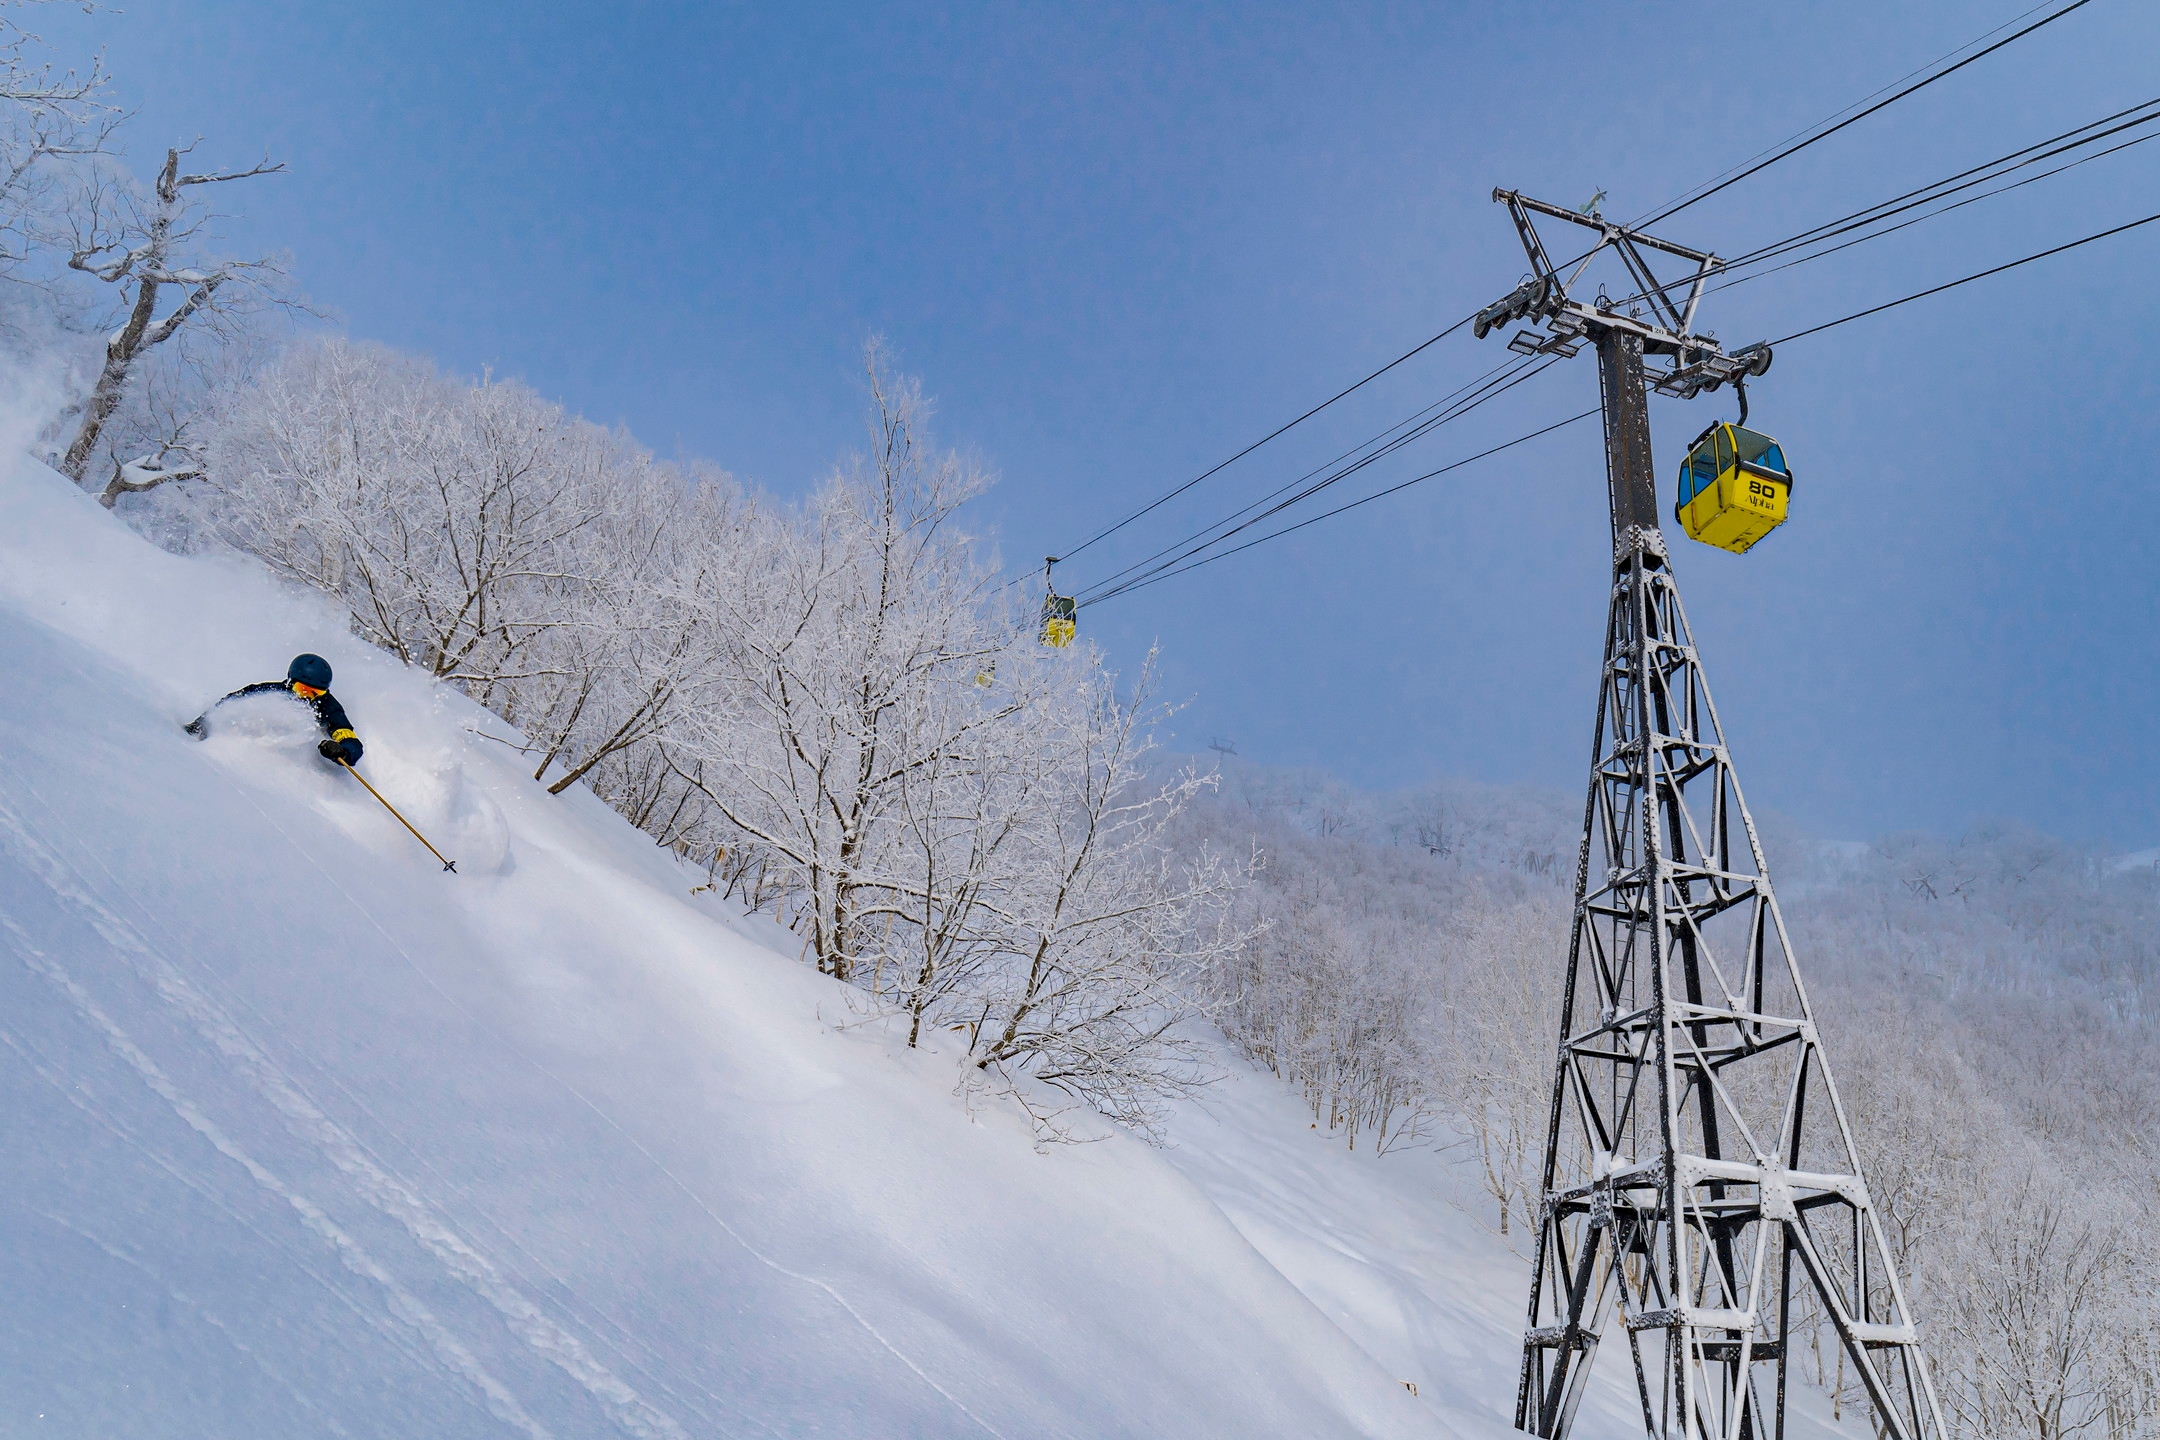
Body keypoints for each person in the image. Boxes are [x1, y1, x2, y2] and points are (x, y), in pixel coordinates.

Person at [185, 653, 364, 765]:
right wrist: (200, 724)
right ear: (290, 682)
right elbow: (228, 706)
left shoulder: (329, 707)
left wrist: (343, 752)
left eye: (315, 692)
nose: (307, 697)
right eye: (302, 690)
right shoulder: (268, 692)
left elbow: (349, 739)